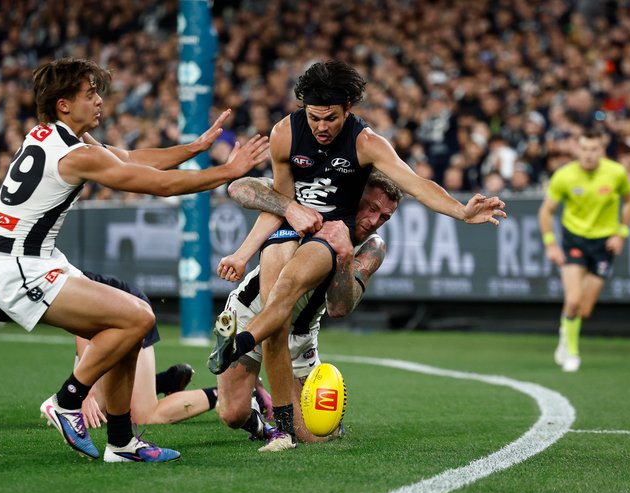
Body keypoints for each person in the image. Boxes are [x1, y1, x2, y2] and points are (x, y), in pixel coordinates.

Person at [210, 60, 506, 452]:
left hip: (312, 297)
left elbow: (415, 185)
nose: (322, 126)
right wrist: (269, 229)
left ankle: (261, 377)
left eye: (330, 118)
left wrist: (460, 211)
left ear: (348, 108)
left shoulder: (366, 152)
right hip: (275, 270)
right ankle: (263, 397)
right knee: (232, 412)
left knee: (315, 433)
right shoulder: (287, 136)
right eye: (315, 118)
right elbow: (257, 192)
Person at [0, 57, 268, 462]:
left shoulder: (50, 136)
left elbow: (131, 159)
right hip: (21, 267)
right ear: (64, 104)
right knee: (139, 317)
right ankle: (68, 402)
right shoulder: (77, 153)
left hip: (27, 260)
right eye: (89, 94)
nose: (99, 101)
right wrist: (228, 171)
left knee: (128, 326)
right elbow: (160, 185)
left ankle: (121, 443)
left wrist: (195, 148)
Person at [0, 246, 218, 430]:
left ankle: (230, 394)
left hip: (124, 307)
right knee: (106, 407)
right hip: (98, 325)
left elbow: (86, 328)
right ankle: (164, 381)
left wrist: (82, 392)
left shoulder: (17, 282)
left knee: (143, 415)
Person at [214, 173, 401, 446]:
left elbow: (339, 307)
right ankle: (263, 416)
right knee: (232, 414)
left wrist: (346, 256)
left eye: (384, 217)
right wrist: (288, 207)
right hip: (249, 313)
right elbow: (239, 187)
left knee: (314, 436)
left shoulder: (372, 247)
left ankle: (288, 410)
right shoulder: (313, 204)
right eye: (371, 208)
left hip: (299, 335)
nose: (373, 222)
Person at [538, 128, 630, 372]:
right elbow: (546, 211)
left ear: (601, 150)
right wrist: (551, 243)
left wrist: (621, 233)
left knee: (584, 309)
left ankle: (566, 331)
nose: (589, 154)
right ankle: (572, 352)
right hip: (575, 240)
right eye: (584, 149)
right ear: (576, 149)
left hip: (604, 244)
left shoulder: (616, 173)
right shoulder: (564, 175)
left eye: (594, 149)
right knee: (572, 301)